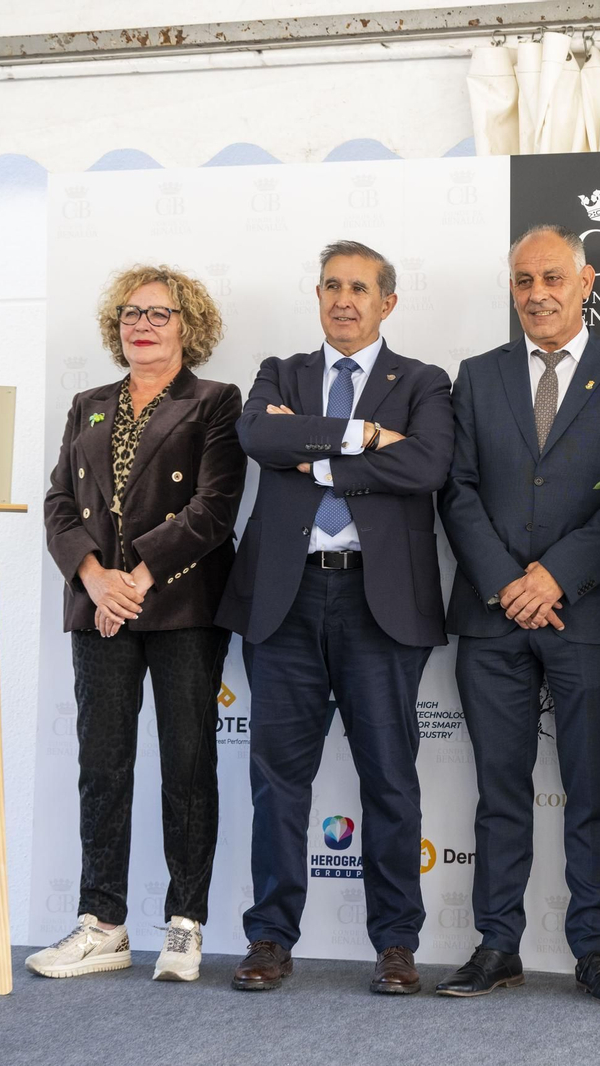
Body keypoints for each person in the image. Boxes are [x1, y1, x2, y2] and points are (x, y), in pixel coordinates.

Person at [218, 240, 453, 996]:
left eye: (359, 288)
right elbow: (259, 436)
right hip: (284, 599)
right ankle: (269, 938)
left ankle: (395, 944)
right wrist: (360, 437)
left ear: (388, 301)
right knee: (278, 780)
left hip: (376, 602)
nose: (342, 300)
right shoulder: (278, 374)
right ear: (316, 296)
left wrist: (312, 451)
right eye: (330, 286)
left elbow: (425, 467)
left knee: (389, 779)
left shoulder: (422, 381)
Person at [435, 224, 600, 1005]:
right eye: (524, 280)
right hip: (494, 616)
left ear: (587, 281)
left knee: (593, 788)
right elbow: (456, 491)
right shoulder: (476, 375)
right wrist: (508, 583)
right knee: (499, 790)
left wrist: (556, 576)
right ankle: (497, 944)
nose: (538, 293)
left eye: (553, 278)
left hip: (587, 615)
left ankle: (595, 950)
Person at [34, 265, 245, 982]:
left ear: (190, 325)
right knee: (103, 765)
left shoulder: (216, 402)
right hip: (99, 608)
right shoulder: (88, 403)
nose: (142, 324)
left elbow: (213, 510)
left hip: (183, 604)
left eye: (159, 313)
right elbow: (59, 503)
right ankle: (104, 926)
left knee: (187, 766)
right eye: (130, 313)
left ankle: (185, 926)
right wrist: (95, 579)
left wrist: (137, 580)